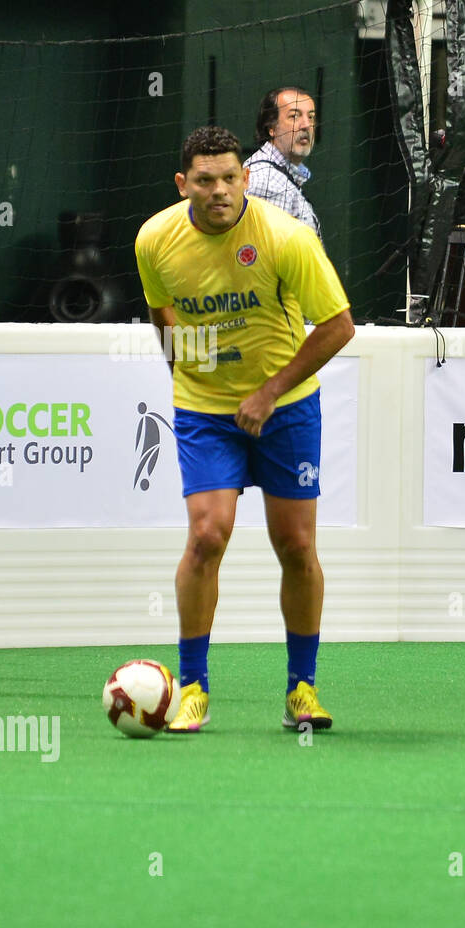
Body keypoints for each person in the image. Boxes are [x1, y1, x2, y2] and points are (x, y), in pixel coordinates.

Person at [135, 126, 355, 732]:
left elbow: (338, 326)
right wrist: (184, 365)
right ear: (184, 186)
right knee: (208, 537)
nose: (220, 191)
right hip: (205, 411)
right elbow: (161, 306)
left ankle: (301, 690)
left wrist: (268, 392)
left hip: (285, 409)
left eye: (230, 178)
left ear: (246, 179)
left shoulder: (287, 239)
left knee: (297, 546)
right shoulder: (154, 239)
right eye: (205, 181)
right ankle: (194, 689)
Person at [244, 87, 322, 239]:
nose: (306, 125)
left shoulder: (280, 174)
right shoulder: (268, 182)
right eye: (294, 116)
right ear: (271, 128)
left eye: (311, 117)